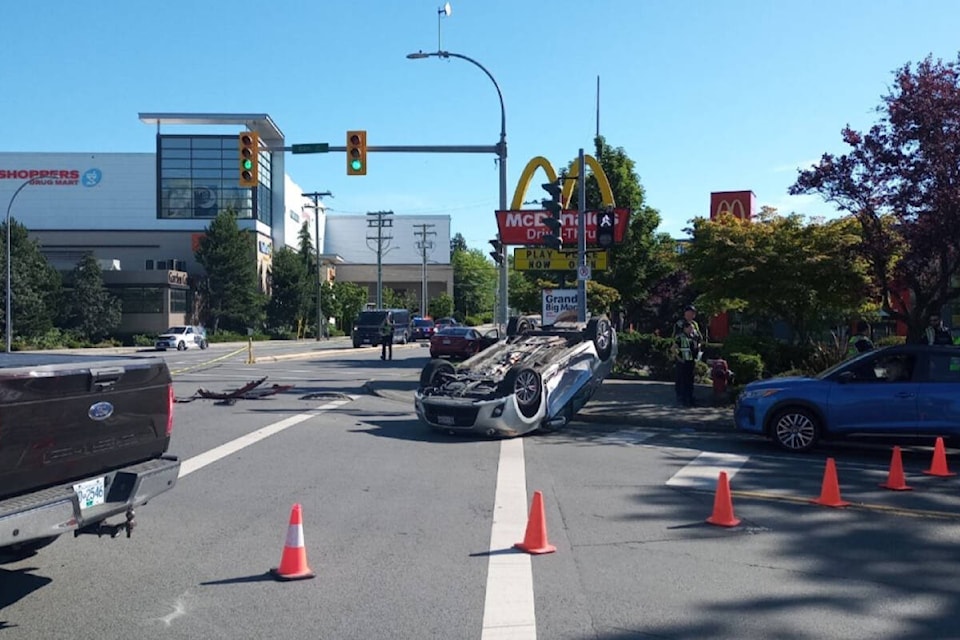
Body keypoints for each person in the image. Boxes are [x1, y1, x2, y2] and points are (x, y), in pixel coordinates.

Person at [673, 305, 703, 403]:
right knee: (681, 376)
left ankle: (689, 395)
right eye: (689, 313)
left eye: (692, 313)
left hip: (692, 354)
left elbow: (699, 336)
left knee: (690, 376)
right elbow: (676, 339)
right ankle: (681, 396)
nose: (691, 315)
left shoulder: (695, 324)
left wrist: (698, 345)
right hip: (683, 352)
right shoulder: (680, 324)